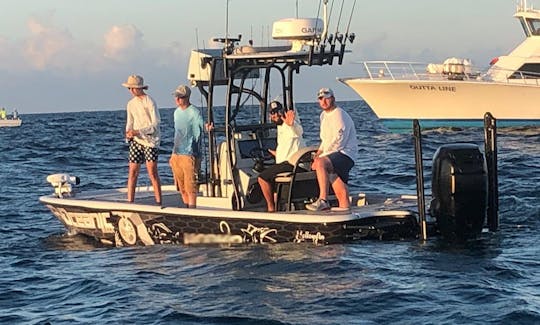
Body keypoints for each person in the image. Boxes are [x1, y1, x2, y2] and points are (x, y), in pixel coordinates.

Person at [306, 88, 358, 211]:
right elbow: (325, 139)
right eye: (320, 98)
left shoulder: (339, 114)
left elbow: (339, 141)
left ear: (333, 98)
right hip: (332, 154)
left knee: (321, 164)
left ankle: (323, 200)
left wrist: (321, 158)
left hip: (345, 153)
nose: (323, 101)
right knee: (335, 179)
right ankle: (345, 210)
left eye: (326, 98)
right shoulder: (323, 116)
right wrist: (319, 152)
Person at [257, 100, 305, 212]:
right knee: (272, 179)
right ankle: (279, 207)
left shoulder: (290, 125)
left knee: (262, 178)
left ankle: (270, 208)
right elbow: (286, 148)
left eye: (277, 112)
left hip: (292, 164)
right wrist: (274, 153)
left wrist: (291, 124)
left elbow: (298, 132)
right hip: (285, 163)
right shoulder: (280, 128)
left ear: (282, 111)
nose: (275, 115)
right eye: (272, 113)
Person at [122, 74, 162, 205]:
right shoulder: (130, 104)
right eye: (129, 89)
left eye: (133, 88)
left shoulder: (150, 101)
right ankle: (130, 201)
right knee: (132, 171)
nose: (131, 91)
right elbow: (130, 121)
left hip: (150, 141)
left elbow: (155, 125)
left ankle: (158, 201)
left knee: (152, 171)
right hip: (136, 141)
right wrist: (128, 133)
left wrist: (138, 131)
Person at [169, 84, 204, 208]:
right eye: (176, 97)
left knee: (191, 188)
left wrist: (208, 127)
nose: (177, 100)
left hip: (190, 154)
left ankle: (193, 211)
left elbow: (202, 125)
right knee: (181, 187)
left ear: (187, 97)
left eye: (180, 97)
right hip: (177, 153)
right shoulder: (176, 113)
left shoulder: (194, 112)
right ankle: (186, 208)